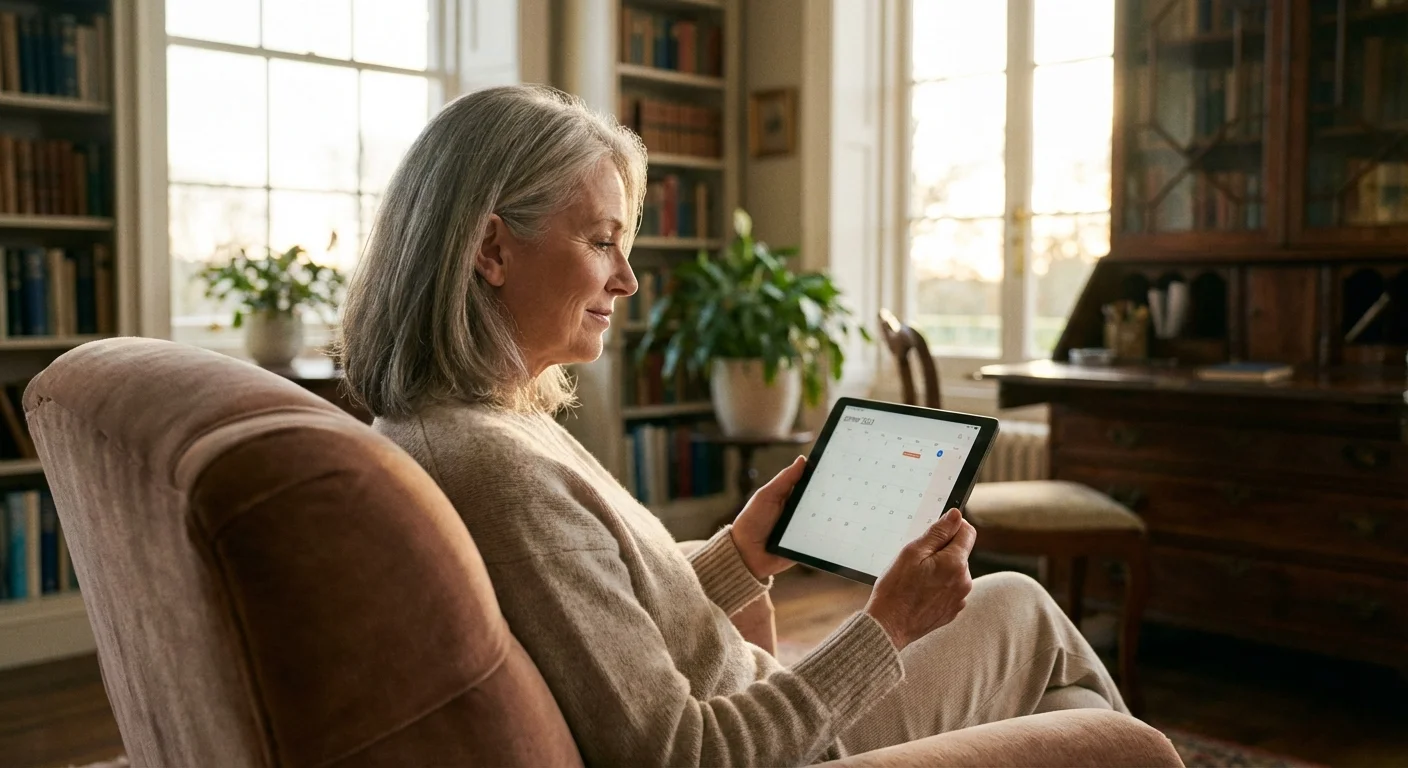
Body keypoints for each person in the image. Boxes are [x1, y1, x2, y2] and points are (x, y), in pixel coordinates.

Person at [338, 84, 1126, 767]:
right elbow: (678, 753)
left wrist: (741, 555)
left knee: (1067, 716)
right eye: (602, 239)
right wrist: (889, 625)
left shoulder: (472, 424)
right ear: (492, 250)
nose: (628, 276)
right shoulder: (495, 467)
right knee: (1026, 611)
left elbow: (608, 626)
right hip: (803, 745)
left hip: (764, 702)